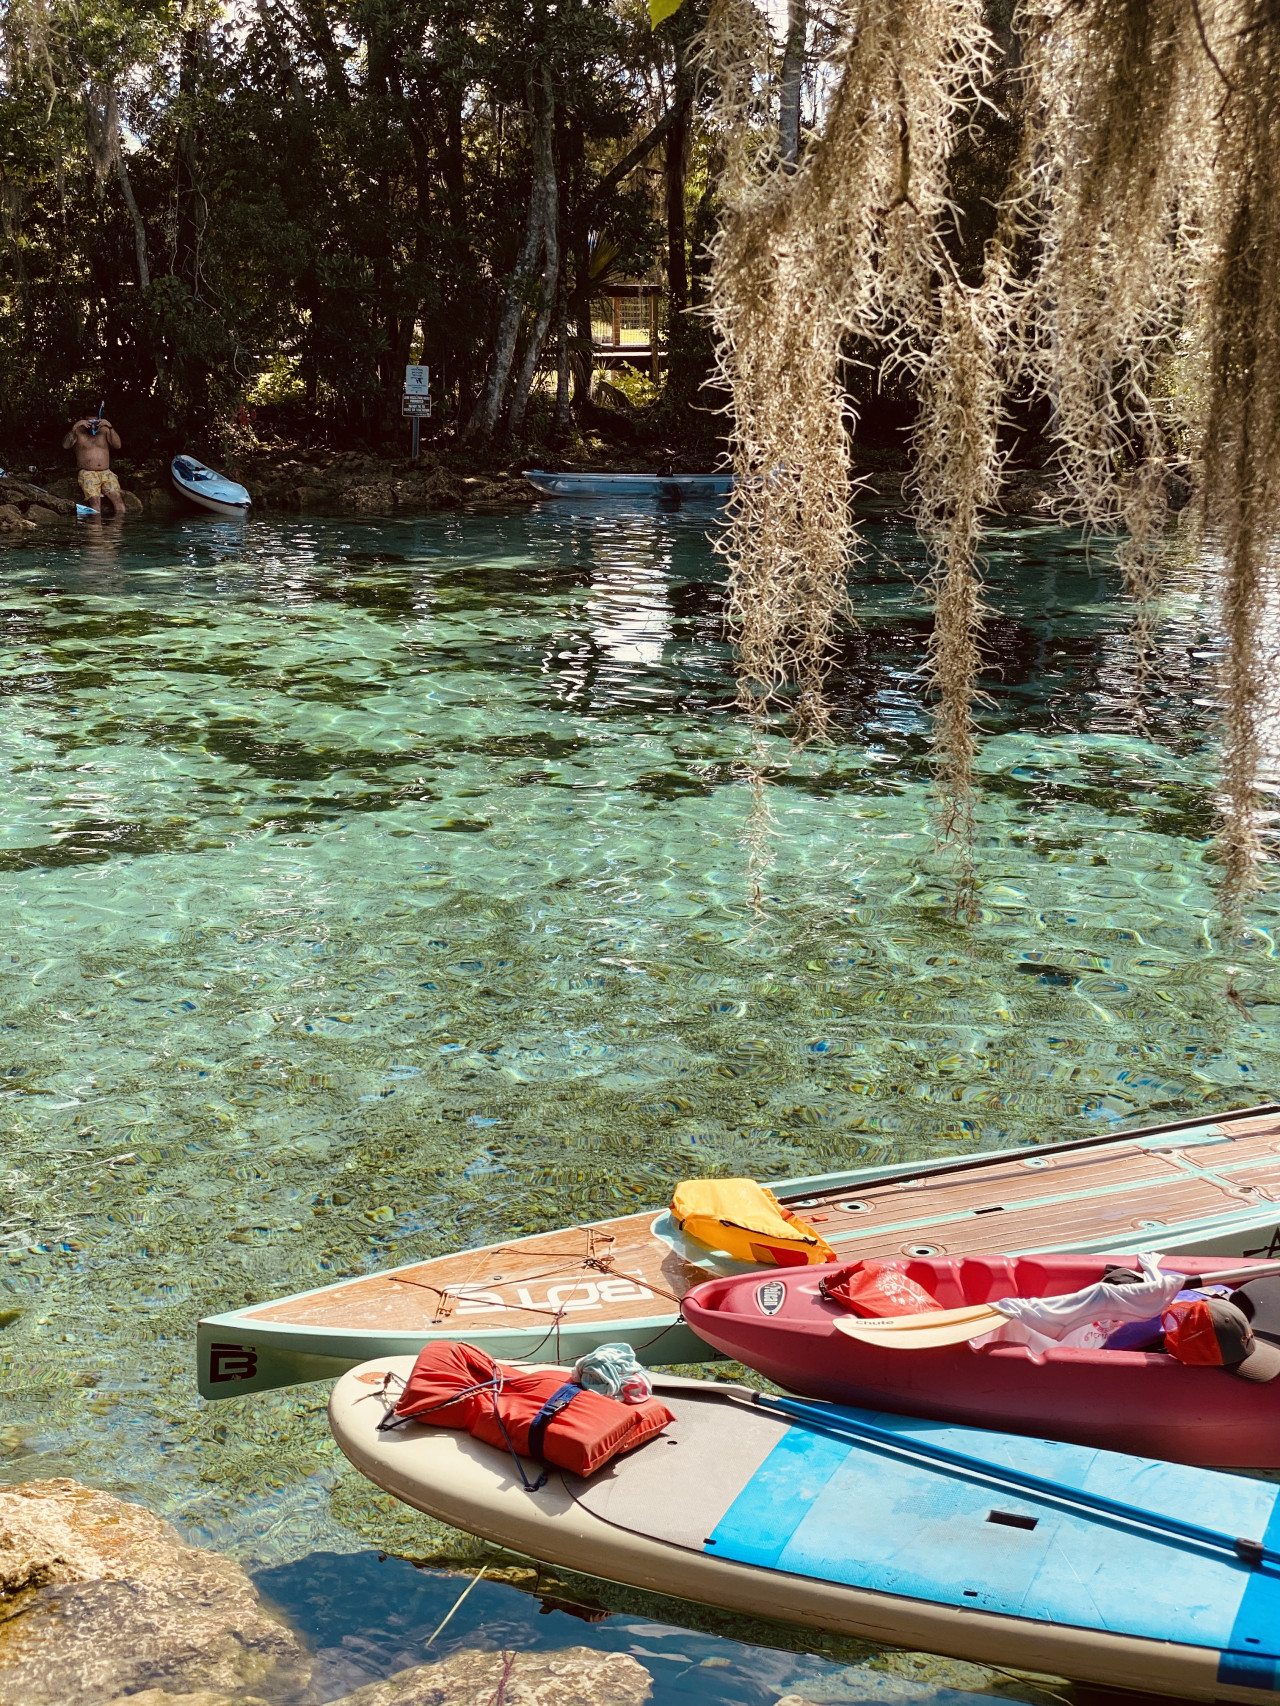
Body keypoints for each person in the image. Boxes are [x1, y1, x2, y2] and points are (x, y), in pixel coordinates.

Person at [62, 408, 126, 516]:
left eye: (95, 422)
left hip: (106, 472)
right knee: (95, 501)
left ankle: (118, 526)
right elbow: (65, 445)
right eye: (89, 422)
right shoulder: (78, 432)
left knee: (117, 499)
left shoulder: (105, 430)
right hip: (87, 472)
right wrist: (74, 427)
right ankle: (96, 526)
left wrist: (110, 427)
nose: (92, 425)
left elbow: (118, 445)